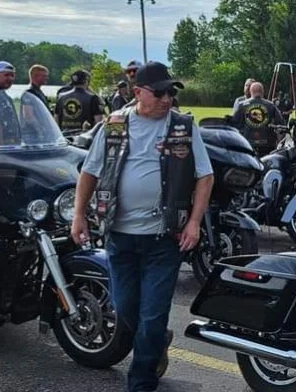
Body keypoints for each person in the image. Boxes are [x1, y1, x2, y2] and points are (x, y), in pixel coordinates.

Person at [71, 61, 214, 392]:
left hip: (164, 239)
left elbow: (205, 175)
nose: (167, 99)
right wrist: (78, 215)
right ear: (137, 93)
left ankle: (141, 382)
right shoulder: (114, 125)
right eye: (160, 92)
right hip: (120, 238)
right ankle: (157, 341)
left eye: (171, 92)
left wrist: (194, 222)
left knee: (151, 318)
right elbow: (89, 172)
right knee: (126, 311)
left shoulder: (182, 126)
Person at [232, 81, 284, 155]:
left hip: (247, 144)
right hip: (267, 145)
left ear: (251, 91)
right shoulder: (271, 105)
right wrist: (279, 141)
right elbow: (281, 124)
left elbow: (234, 124)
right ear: (262, 92)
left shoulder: (242, 105)